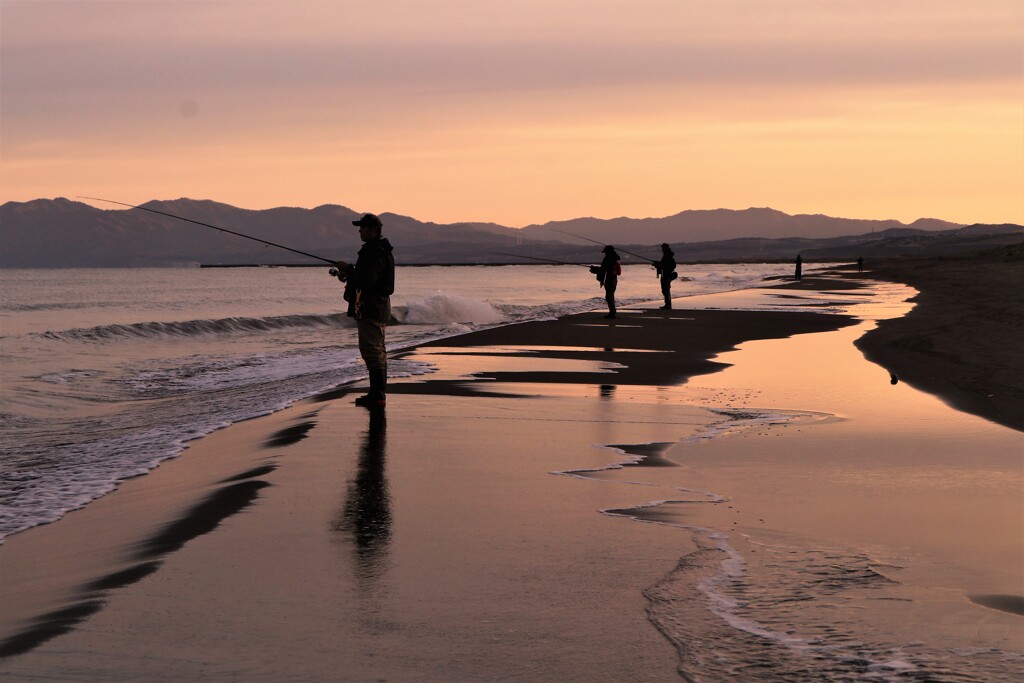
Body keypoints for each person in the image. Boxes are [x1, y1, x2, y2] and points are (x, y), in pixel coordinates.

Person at [334, 213, 395, 408]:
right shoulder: (379, 250)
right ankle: (377, 393)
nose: (359, 231)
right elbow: (367, 277)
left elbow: (368, 281)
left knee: (371, 350)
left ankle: (377, 395)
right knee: (378, 350)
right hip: (378, 306)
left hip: (371, 307)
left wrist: (350, 272)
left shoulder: (374, 251)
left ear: (373, 229)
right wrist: (351, 272)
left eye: (362, 228)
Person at [597, 245, 621, 318]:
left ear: (608, 251)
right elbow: (605, 269)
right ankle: (612, 311)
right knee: (610, 295)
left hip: (609, 279)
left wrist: (595, 270)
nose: (605, 253)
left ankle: (612, 312)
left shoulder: (608, 258)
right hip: (614, 279)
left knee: (609, 296)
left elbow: (604, 269)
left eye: (605, 252)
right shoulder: (615, 258)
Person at [652, 243, 677, 309]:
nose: (662, 249)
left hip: (667, 275)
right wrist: (657, 264)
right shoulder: (667, 255)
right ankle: (667, 304)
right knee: (665, 290)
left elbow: (664, 265)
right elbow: (663, 264)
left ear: (666, 248)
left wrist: (657, 264)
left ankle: (668, 305)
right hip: (665, 275)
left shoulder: (667, 256)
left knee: (666, 290)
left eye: (663, 248)